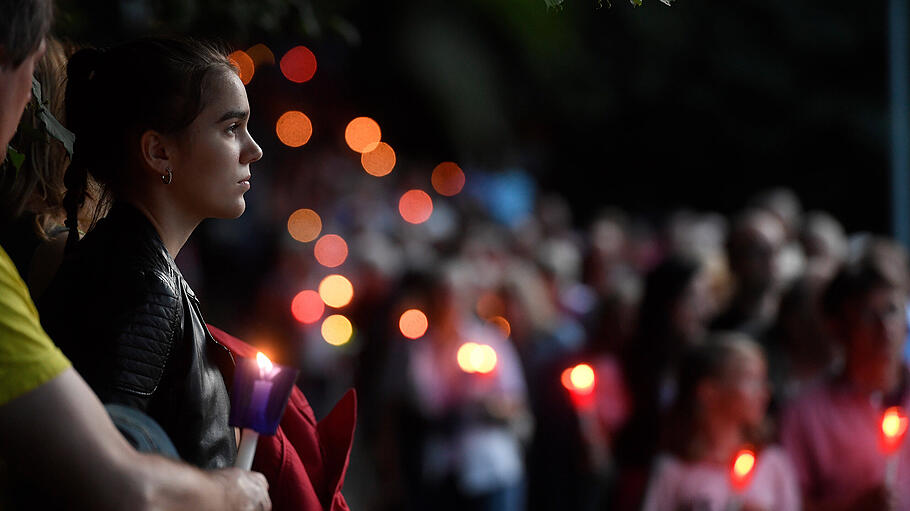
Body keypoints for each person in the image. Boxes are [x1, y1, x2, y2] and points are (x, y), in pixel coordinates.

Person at [0, 0, 270, 509]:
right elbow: (103, 464)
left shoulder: (133, 264)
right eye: (231, 128)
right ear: (158, 152)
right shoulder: (140, 283)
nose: (253, 149)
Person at [780, 252, 910, 510]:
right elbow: (788, 503)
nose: (885, 328)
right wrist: (851, 507)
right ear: (838, 326)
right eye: (868, 316)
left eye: (892, 310)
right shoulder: (805, 414)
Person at [642, 333, 800, 511]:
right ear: (708, 392)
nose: (764, 391)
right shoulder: (673, 470)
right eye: (752, 380)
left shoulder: (773, 464)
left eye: (763, 380)